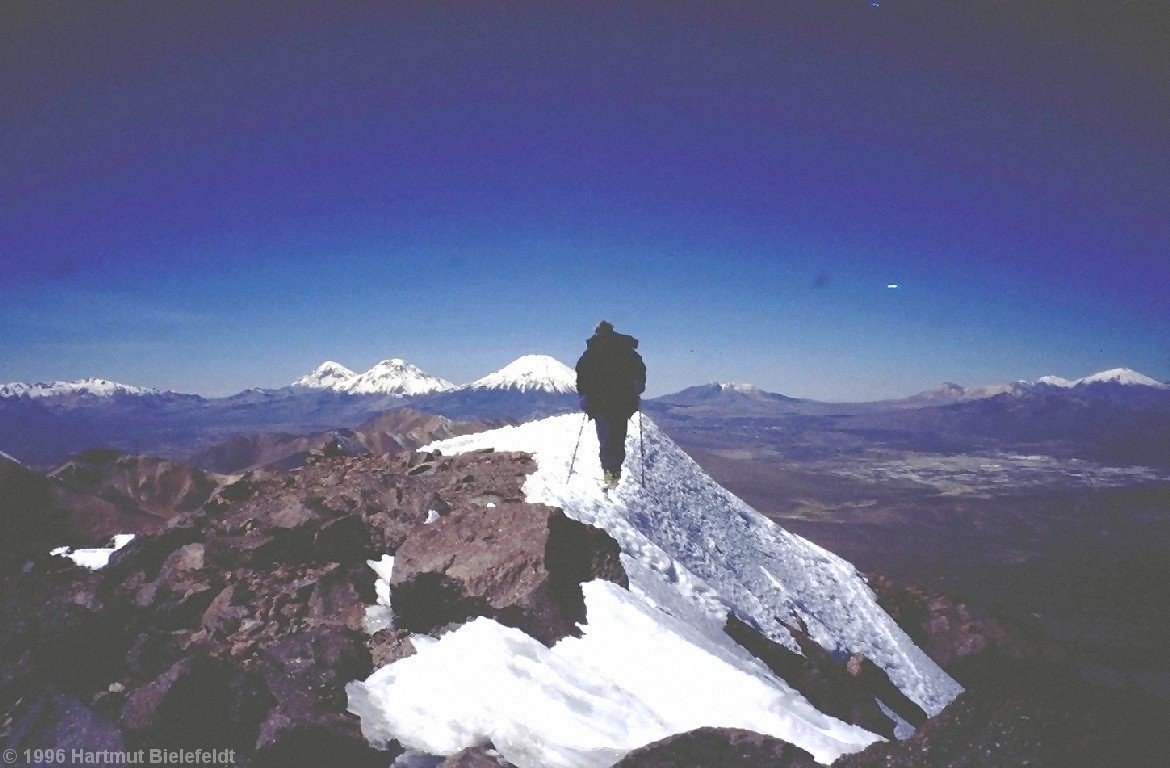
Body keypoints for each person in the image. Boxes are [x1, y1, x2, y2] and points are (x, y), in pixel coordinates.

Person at [575, 320, 646, 489]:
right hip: (623, 403)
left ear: (598, 331)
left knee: (606, 440)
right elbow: (639, 372)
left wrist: (585, 396)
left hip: (600, 403)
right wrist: (636, 389)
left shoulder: (592, 352)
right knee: (617, 438)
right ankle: (615, 472)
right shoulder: (626, 350)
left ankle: (609, 475)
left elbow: (582, 375)